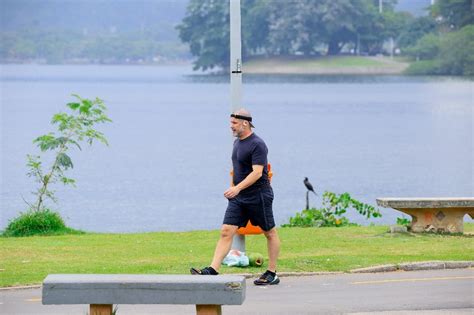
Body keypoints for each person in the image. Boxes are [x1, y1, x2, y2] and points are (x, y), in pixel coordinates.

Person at [190, 108, 281, 285]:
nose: (231, 126)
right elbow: (240, 170)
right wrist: (235, 189)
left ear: (245, 123)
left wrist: (236, 188)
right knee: (226, 231)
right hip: (239, 197)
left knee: (269, 232)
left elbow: (257, 173)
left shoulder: (257, 144)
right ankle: (213, 269)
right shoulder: (237, 143)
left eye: (234, 123)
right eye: (231, 123)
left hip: (258, 195)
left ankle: (272, 272)